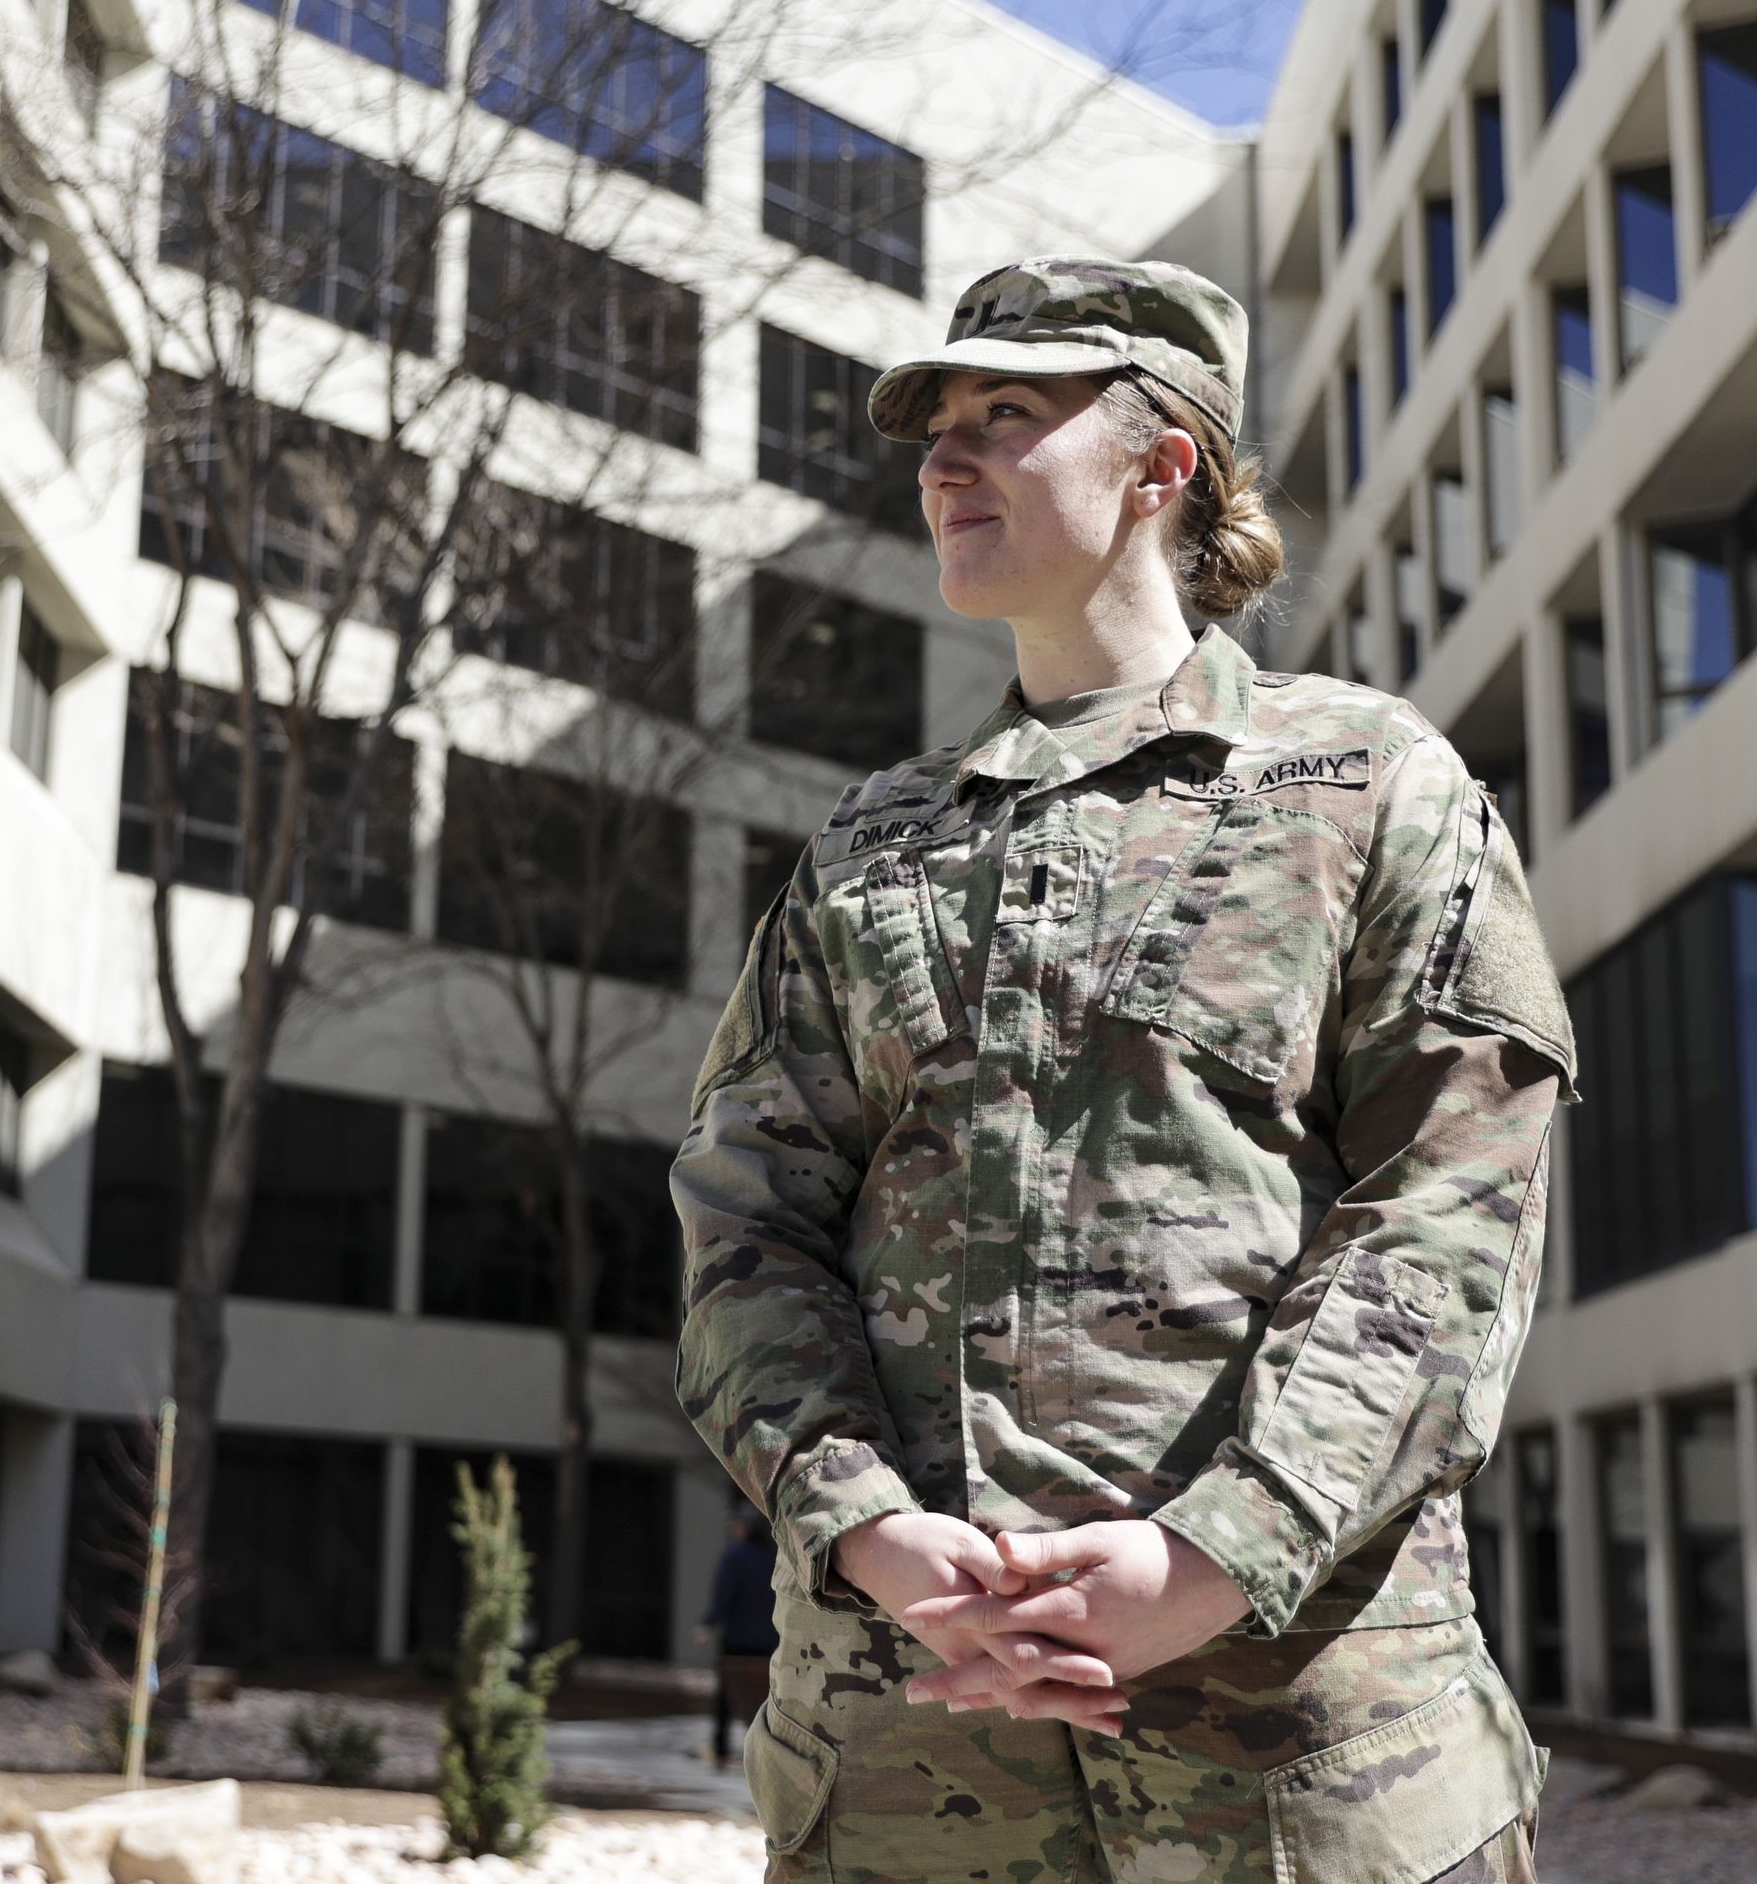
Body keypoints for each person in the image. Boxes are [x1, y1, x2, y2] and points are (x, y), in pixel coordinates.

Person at [671, 257, 1575, 1884]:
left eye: (1004, 417)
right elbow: (746, 1226)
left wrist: (1214, 1556)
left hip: (1305, 1784)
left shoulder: (1369, 783)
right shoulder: (871, 848)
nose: (944, 462)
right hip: (905, 1786)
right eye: (936, 428)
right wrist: (876, 1533)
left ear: (1165, 464)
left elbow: (1451, 1217)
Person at [695, 1505, 780, 1765]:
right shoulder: (777, 1556)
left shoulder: (734, 1556)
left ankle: (720, 1748)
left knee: (726, 1696)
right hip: (771, 1643)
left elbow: (723, 1596)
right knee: (770, 1698)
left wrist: (707, 1625)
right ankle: (770, 1752)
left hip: (737, 1643)